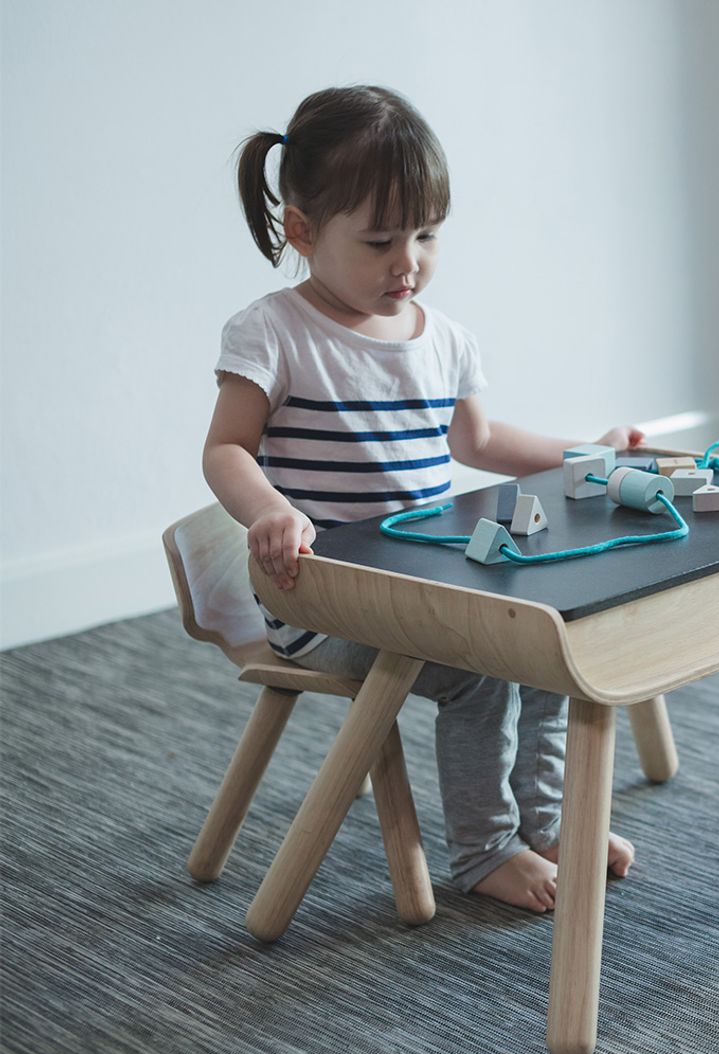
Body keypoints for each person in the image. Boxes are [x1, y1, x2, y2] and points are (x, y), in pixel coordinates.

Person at [203, 85, 638, 913]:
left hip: (426, 584)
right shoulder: (272, 332)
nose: (408, 263)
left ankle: (547, 825)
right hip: (324, 600)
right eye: (379, 242)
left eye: (426, 235)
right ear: (303, 231)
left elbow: (481, 441)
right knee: (481, 673)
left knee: (547, 649)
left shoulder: (444, 340)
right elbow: (225, 448)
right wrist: (269, 510)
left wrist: (593, 454)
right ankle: (485, 851)